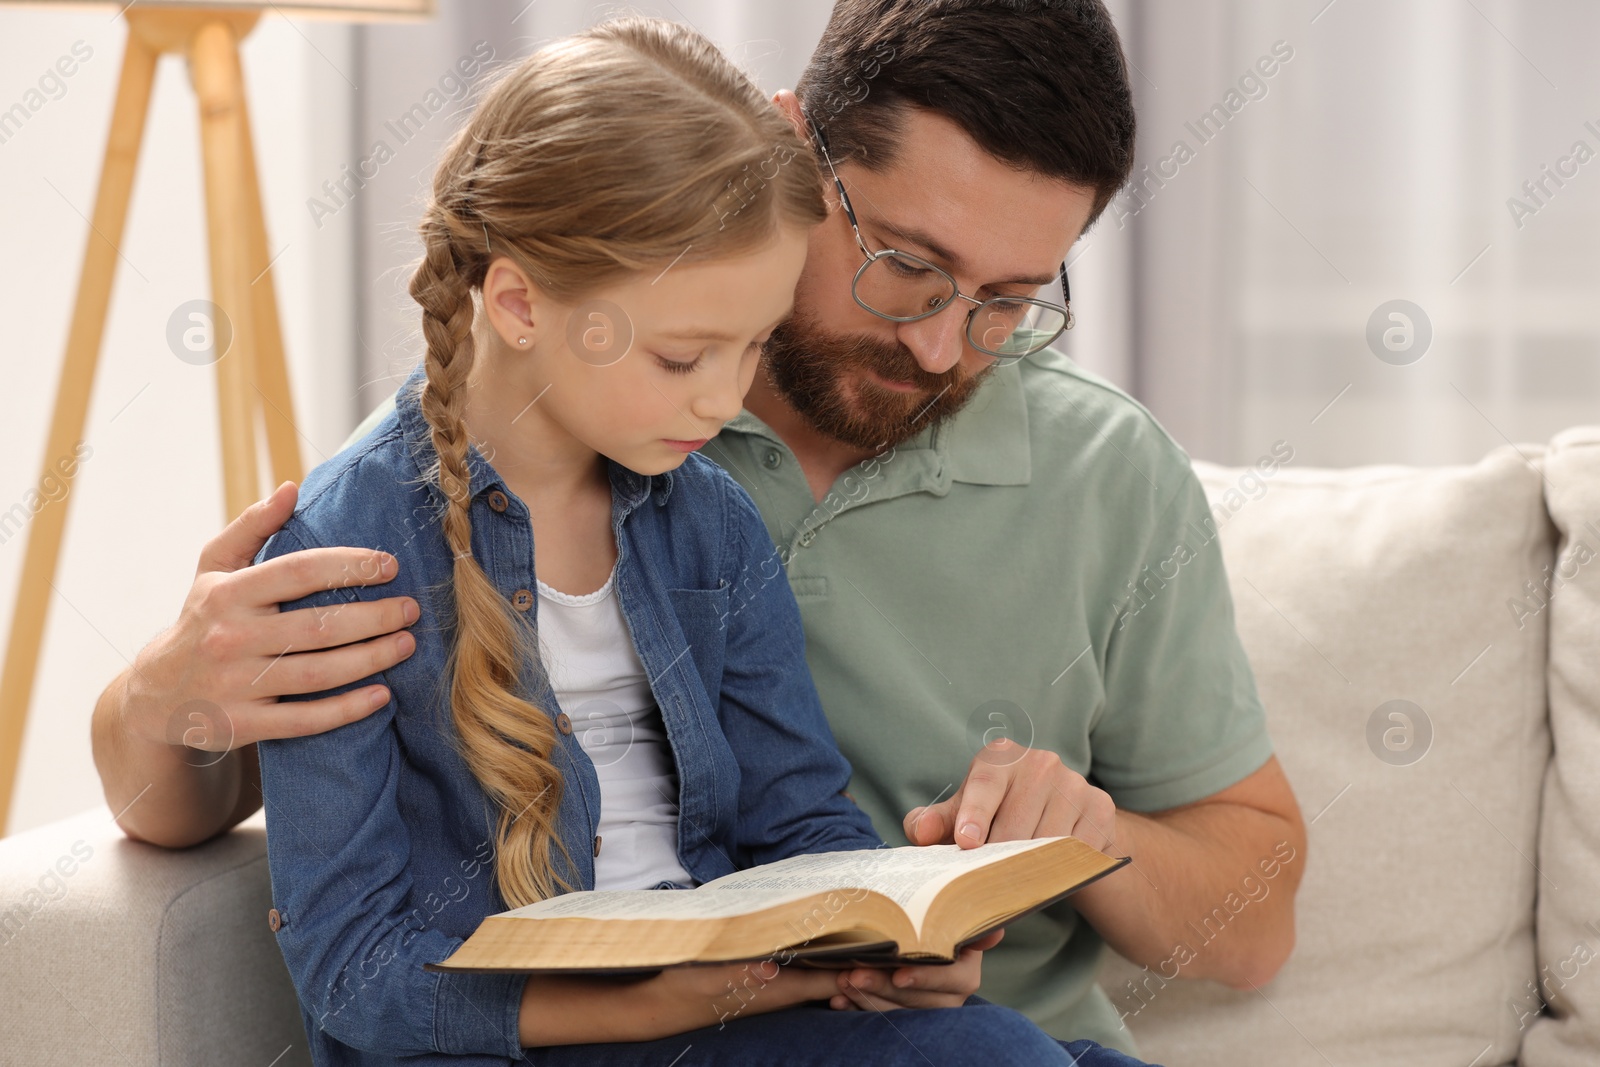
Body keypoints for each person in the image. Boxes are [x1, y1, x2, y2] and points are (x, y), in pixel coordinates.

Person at [92, 0, 1304, 1056]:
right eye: (905, 264)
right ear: (793, 153)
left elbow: (1250, 919)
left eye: (1004, 304)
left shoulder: (1092, 471)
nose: (943, 345)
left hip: (880, 1021)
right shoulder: (508, 444)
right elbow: (275, 860)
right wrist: (164, 697)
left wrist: (1007, 876)